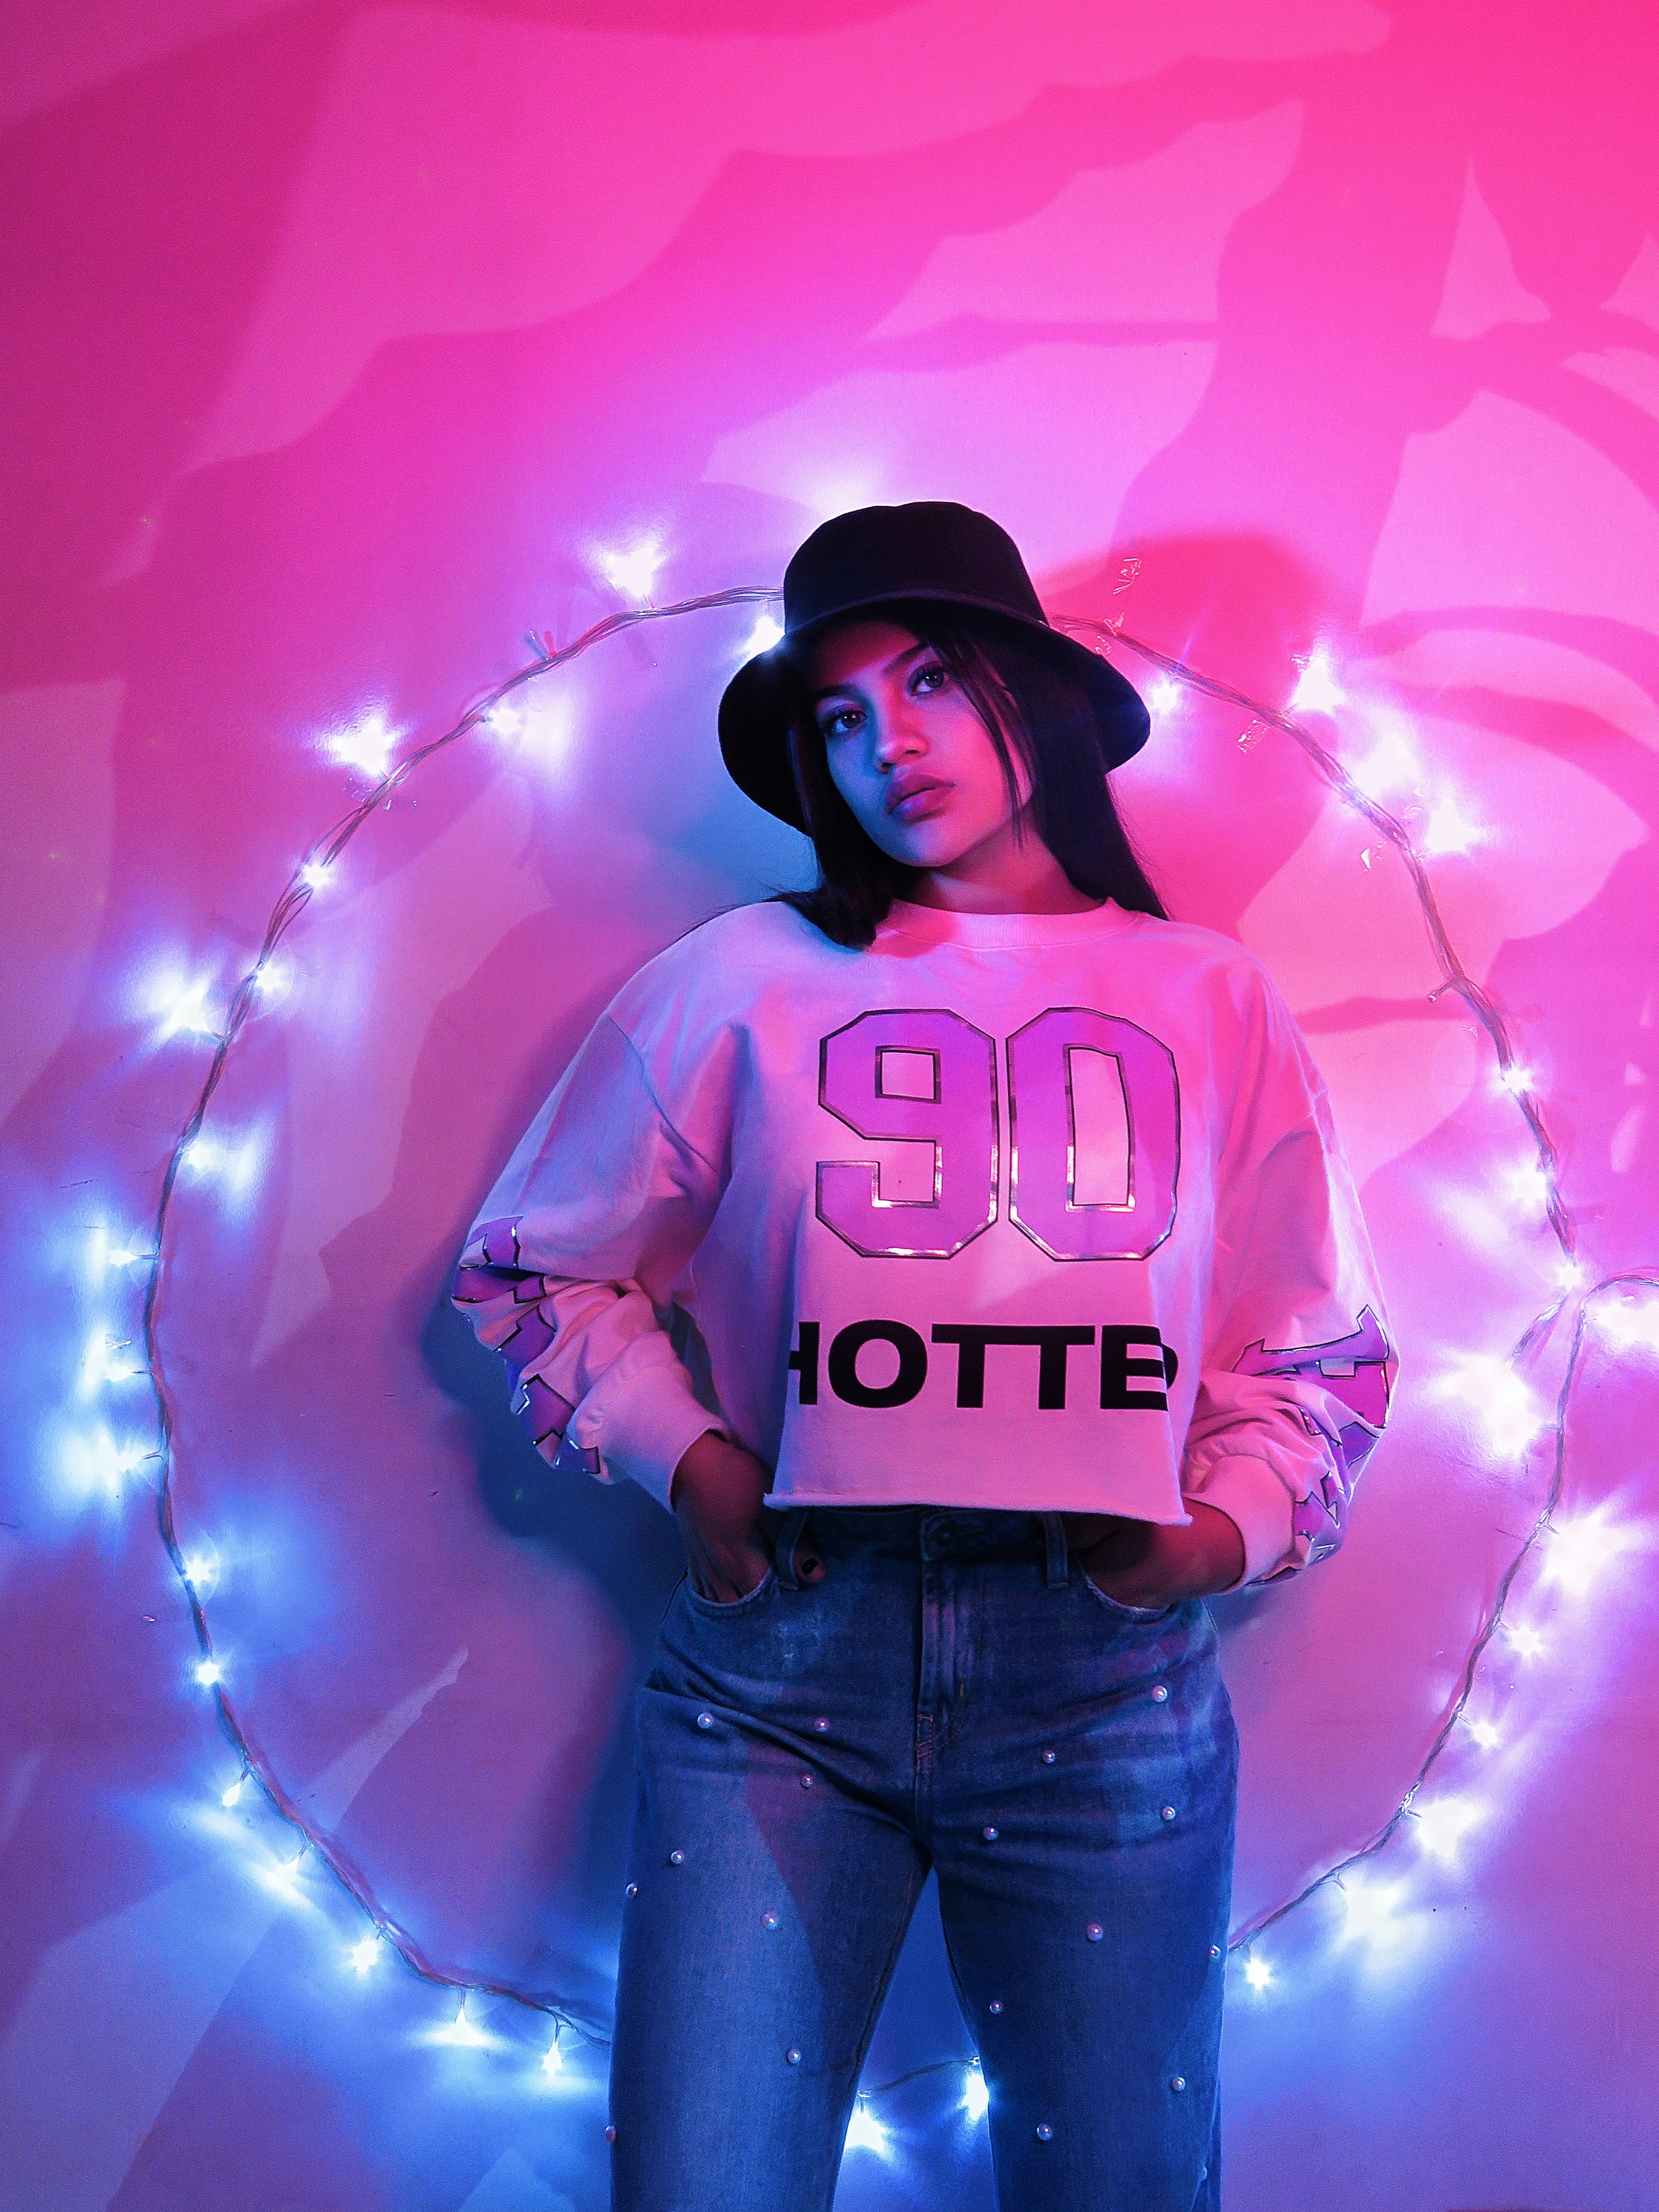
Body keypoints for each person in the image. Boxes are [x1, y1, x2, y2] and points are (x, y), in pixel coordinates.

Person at [451, 501, 1396, 2211]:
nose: (885, 741)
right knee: (707, 2185)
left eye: (931, 681)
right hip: (778, 1678)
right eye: (838, 715)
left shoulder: (1211, 997)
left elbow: (1313, 1352)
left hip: (1102, 1680)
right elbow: (533, 1271)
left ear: (1034, 694)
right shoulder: (741, 979)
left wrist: (1210, 1540)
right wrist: (698, 1469)